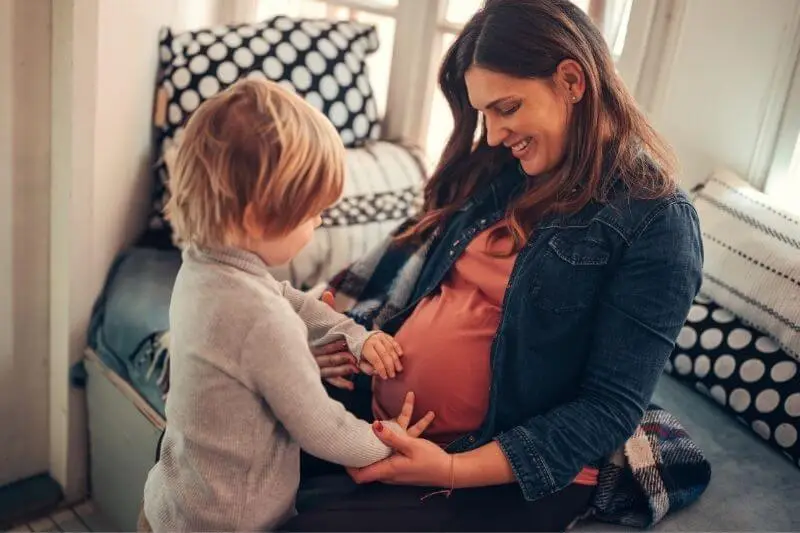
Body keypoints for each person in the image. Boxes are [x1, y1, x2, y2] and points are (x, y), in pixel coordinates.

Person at [281, 0, 704, 531]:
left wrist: (452, 468)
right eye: (485, 113)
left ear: (572, 80)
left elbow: (607, 409)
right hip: (383, 421)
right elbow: (425, 295)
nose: (496, 132)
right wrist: (344, 342)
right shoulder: (503, 172)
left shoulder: (656, 222)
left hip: (494, 470)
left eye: (507, 108)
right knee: (217, 440)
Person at [140, 79, 434, 532]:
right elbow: (321, 427)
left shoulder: (202, 267)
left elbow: (289, 300)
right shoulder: (260, 321)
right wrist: (384, 441)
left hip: (172, 503)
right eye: (312, 212)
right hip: (229, 522)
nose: (317, 222)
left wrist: (353, 335)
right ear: (258, 215)